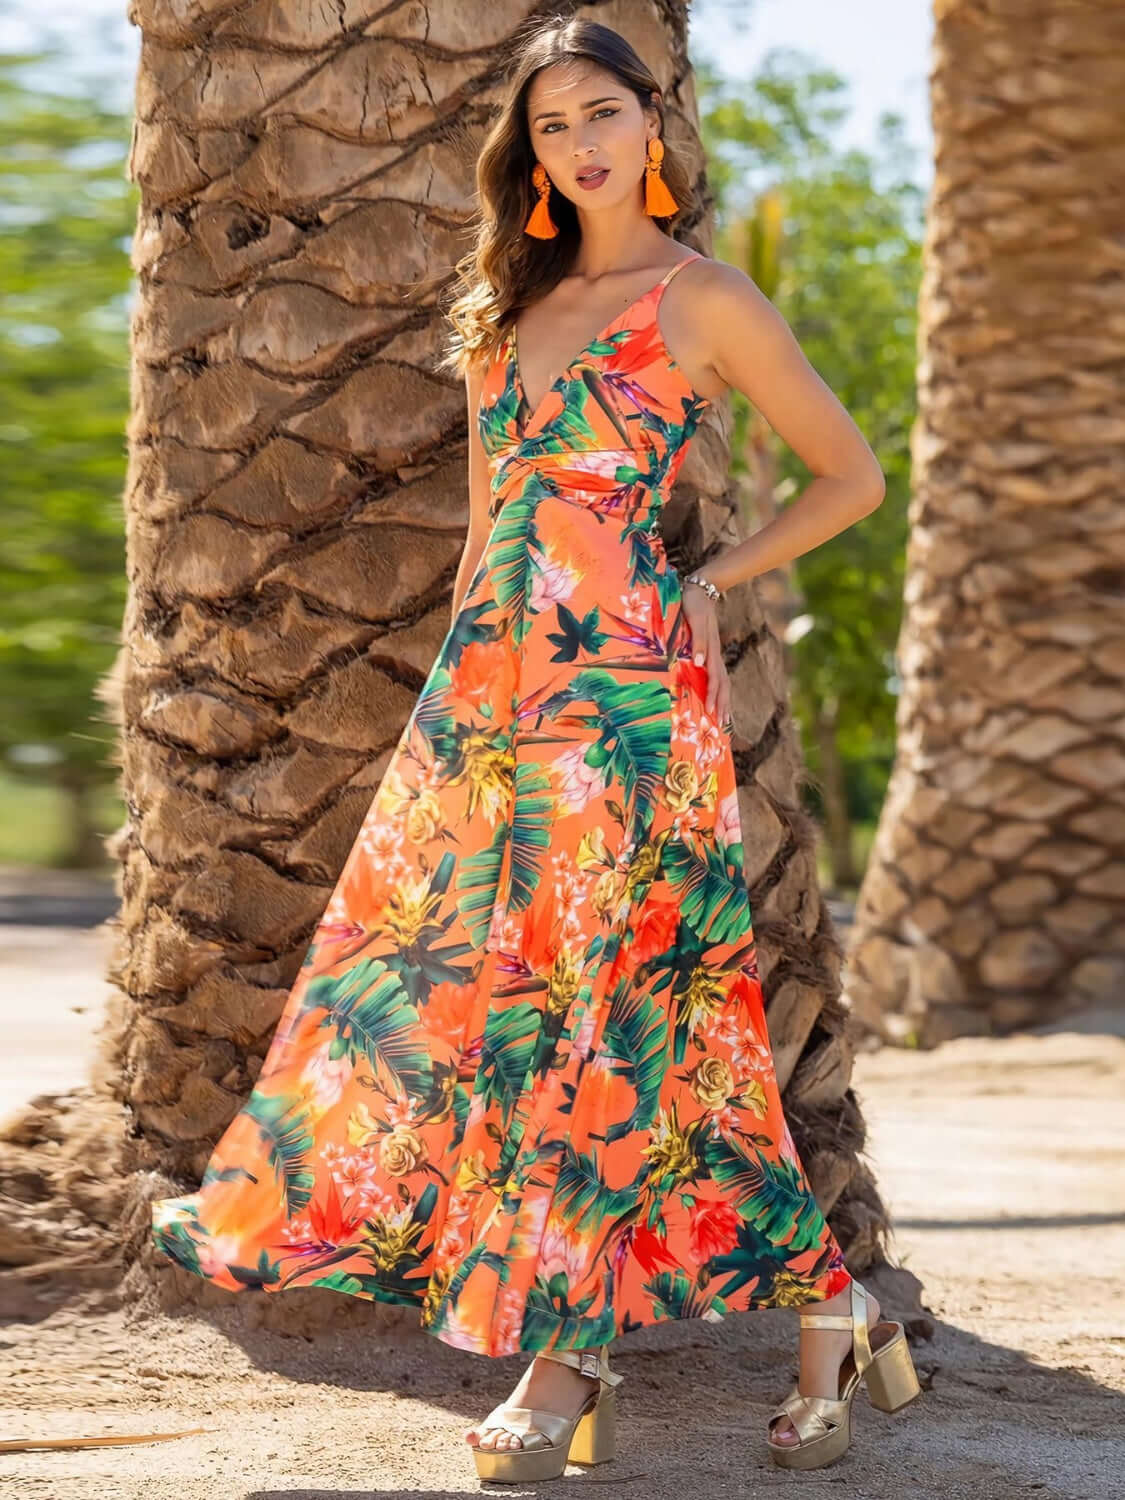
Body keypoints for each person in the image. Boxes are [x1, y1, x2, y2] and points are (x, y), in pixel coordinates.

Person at [151, 14, 920, 1483]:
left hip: (626, 701)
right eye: (551, 124)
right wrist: (442, 714)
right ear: (534, 155)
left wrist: (706, 579)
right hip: (495, 699)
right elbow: (485, 534)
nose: (578, 142)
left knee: (603, 1011)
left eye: (600, 114)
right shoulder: (499, 309)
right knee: (512, 1010)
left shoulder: (703, 299)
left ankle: (567, 1359)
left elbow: (853, 477)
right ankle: (833, 1305)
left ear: (652, 125)